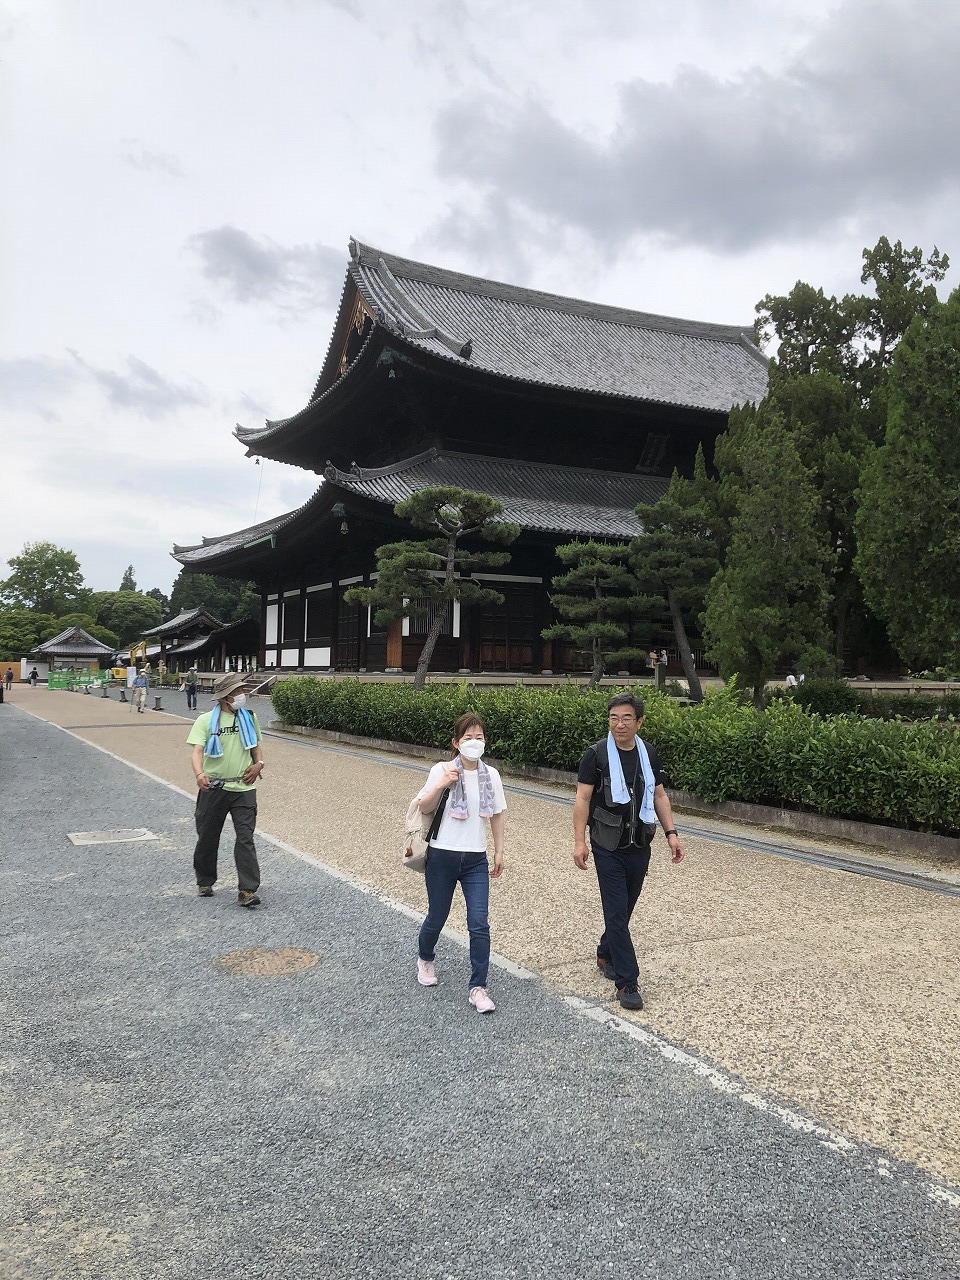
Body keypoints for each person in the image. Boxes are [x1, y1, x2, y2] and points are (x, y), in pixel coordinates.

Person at [573, 692, 685, 1012]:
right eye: (613, 718)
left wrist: (672, 834)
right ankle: (627, 981)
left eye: (626, 718)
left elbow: (659, 795)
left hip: (640, 843)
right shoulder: (596, 755)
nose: (619, 724)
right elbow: (582, 799)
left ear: (639, 722)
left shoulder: (648, 753)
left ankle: (605, 952)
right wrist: (579, 841)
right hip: (607, 844)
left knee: (624, 908)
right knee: (616, 912)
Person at [415, 712, 507, 1014]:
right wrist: (442, 784)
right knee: (437, 916)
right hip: (442, 855)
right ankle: (425, 957)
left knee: (479, 923)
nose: (474, 742)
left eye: (479, 737)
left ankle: (478, 987)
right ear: (456, 743)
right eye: (468, 737)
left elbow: (497, 813)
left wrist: (499, 851)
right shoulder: (441, 770)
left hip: (475, 859)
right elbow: (424, 806)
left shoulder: (491, 775)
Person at [186, 672, 264, 908]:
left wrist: (259, 764)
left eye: (241, 690)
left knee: (245, 837)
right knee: (208, 836)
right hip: (214, 786)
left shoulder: (249, 718)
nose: (241, 695)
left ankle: (247, 890)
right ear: (224, 696)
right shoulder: (205, 721)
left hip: (243, 786)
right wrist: (199, 774)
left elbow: (256, 746)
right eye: (236, 691)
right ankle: (205, 880)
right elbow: (197, 751)